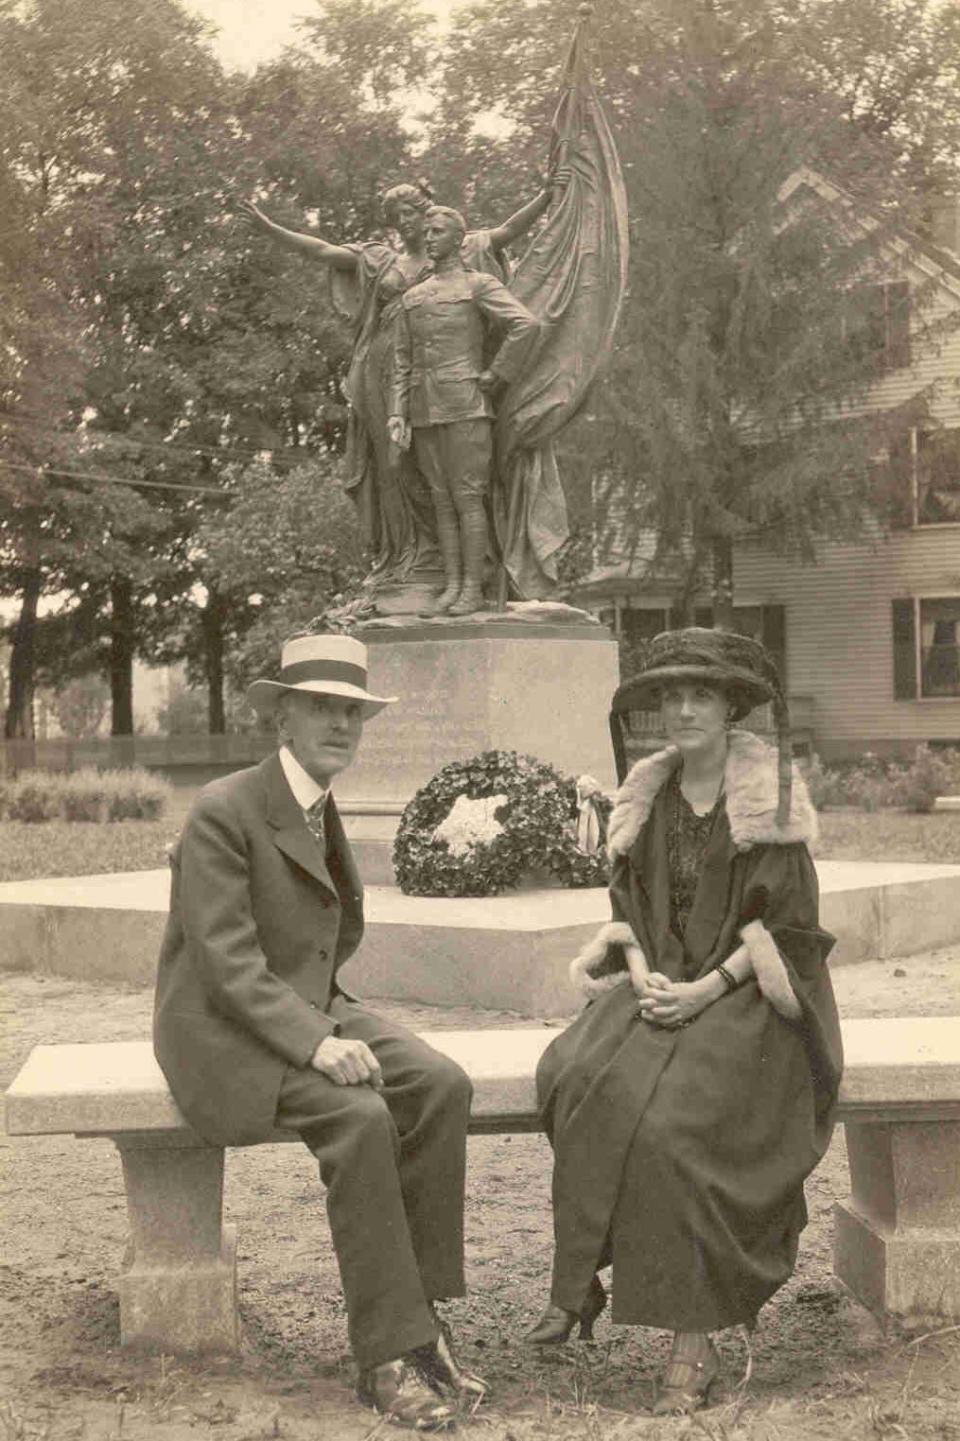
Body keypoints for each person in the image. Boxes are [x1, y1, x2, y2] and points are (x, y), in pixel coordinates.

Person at [153, 633, 485, 1430]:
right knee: (359, 1114)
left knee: (441, 1084)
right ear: (284, 718)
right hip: (217, 1030)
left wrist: (324, 1017)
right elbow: (228, 966)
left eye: (352, 711)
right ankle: (384, 1357)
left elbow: (327, 936)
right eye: (322, 708)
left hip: (301, 1005)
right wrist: (316, 1039)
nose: (340, 724)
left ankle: (421, 1320)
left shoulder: (317, 803)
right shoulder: (226, 810)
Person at [529, 628, 843, 1414]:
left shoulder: (765, 799)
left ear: (732, 705)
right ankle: (579, 1283)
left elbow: (790, 931)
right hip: (660, 982)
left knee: (675, 1127)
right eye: (671, 695)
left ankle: (693, 1339)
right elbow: (627, 913)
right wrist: (642, 976)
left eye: (701, 693)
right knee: (576, 1075)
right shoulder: (646, 799)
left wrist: (704, 991)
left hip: (747, 997)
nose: (684, 708)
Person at [241, 179, 561, 611]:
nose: (408, 227)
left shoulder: (467, 263)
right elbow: (321, 251)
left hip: (457, 386)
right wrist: (269, 227)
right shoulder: (383, 262)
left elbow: (508, 234)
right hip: (393, 383)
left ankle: (468, 580)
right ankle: (414, 565)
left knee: (464, 491)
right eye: (397, 219)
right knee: (403, 475)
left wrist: (544, 195)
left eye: (412, 216)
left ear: (430, 215)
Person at [388, 206, 540, 615]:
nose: (430, 237)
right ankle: (452, 586)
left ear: (459, 239)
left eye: (438, 231)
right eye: (427, 231)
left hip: (467, 404)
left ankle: (473, 587)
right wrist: (396, 413)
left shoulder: (479, 285)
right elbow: (402, 361)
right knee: (441, 500)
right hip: (423, 408)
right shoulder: (412, 296)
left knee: (469, 498)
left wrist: (497, 373)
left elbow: (526, 324)